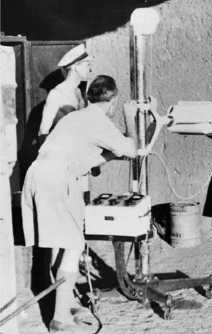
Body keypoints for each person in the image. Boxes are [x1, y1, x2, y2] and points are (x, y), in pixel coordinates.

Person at [21, 75, 145, 333]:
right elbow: (131, 150)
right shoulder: (99, 120)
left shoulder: (75, 118)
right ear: (112, 101)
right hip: (57, 179)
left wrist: (111, 154)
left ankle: (63, 308)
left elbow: (87, 159)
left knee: (60, 244)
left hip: (37, 176)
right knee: (74, 245)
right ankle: (59, 320)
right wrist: (130, 116)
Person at [39, 43, 91, 140]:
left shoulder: (78, 91)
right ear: (75, 66)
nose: (90, 69)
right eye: (87, 65)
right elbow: (43, 131)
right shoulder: (57, 93)